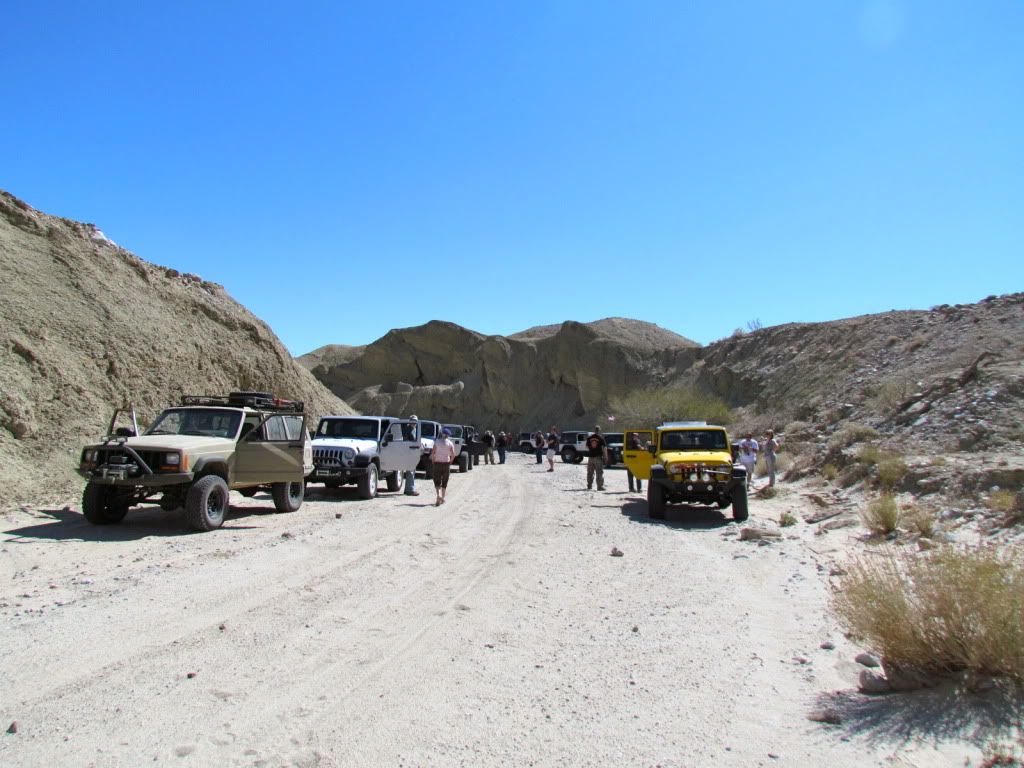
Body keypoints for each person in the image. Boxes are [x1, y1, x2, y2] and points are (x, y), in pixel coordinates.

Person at [430, 428, 457, 506]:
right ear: (448, 435)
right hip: (446, 464)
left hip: (437, 463)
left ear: (442, 434)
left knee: (437, 481)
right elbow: (453, 455)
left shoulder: (437, 442)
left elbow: (433, 453)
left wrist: (433, 461)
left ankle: (439, 495)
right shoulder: (450, 443)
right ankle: (442, 498)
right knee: (445, 482)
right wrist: (450, 462)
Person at [585, 426, 608, 491]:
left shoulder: (589, 438)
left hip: (591, 457)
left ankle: (589, 485)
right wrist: (606, 457)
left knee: (590, 472)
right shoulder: (601, 438)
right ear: (599, 431)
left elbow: (586, 446)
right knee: (599, 472)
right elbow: (604, 448)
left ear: (594, 430)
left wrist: (591, 450)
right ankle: (599, 487)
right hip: (598, 457)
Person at [403, 416, 420, 496]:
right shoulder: (407, 430)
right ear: (409, 421)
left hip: (413, 452)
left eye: (415, 421)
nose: (414, 423)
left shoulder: (414, 429)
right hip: (409, 452)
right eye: (412, 421)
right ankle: (410, 490)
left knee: (412, 471)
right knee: (410, 471)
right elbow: (407, 441)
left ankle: (409, 488)